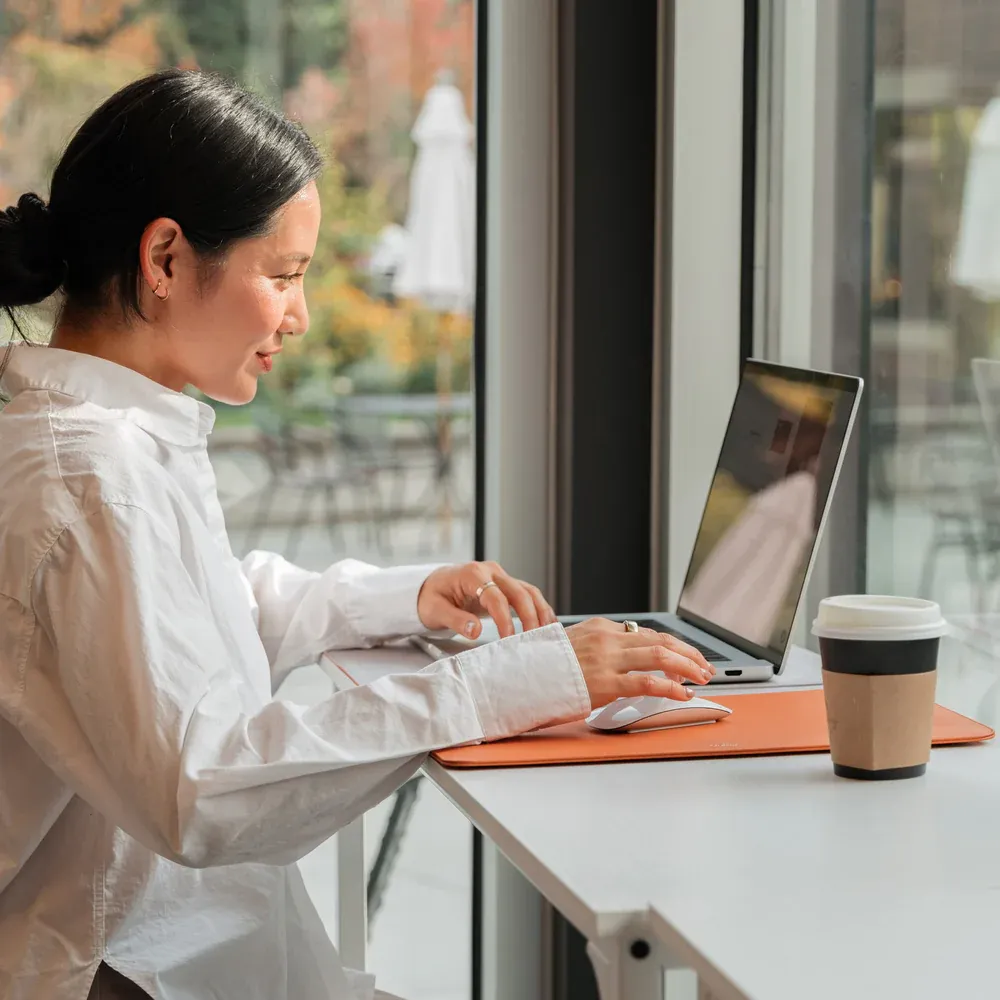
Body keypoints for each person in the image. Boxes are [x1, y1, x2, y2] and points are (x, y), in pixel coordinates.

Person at [0, 70, 714, 1000]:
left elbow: (192, 608)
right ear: (166, 260)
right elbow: (205, 787)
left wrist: (402, 599)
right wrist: (513, 681)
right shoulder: (89, 478)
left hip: (179, 947)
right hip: (126, 965)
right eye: (284, 275)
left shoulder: (109, 442)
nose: (299, 317)